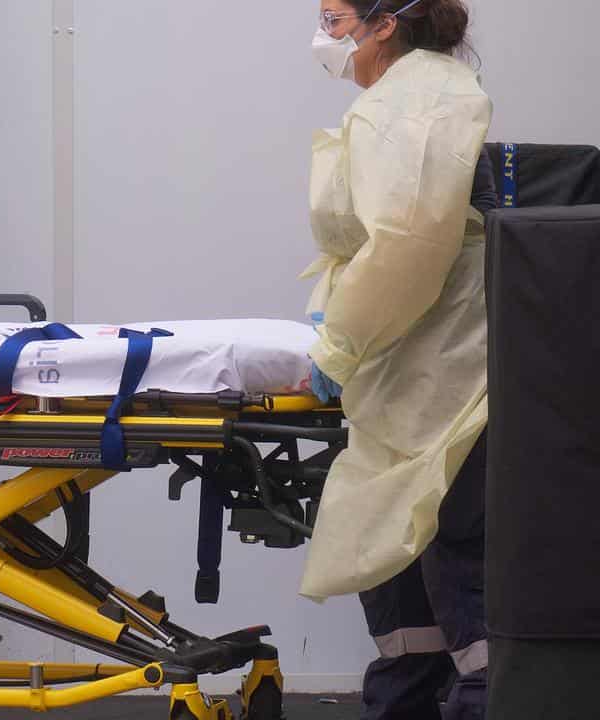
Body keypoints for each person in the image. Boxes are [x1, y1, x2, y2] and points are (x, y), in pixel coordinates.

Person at [301, 1, 495, 718]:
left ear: (385, 24)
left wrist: (342, 341)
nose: (325, 37)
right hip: (412, 371)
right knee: (405, 577)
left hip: (438, 374)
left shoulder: (414, 106)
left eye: (334, 17)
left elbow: (408, 244)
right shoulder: (410, 98)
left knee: (455, 566)